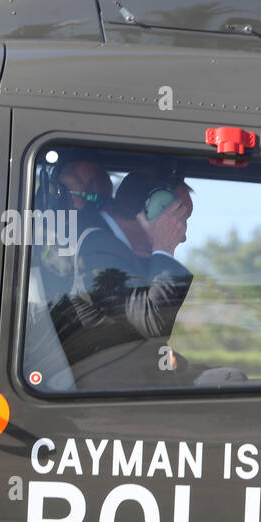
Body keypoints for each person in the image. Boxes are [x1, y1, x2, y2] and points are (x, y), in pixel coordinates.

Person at [53, 166, 194, 389]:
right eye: (179, 219)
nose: (183, 235)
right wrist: (164, 247)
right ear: (152, 211)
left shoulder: (119, 251)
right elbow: (153, 320)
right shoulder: (96, 250)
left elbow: (138, 340)